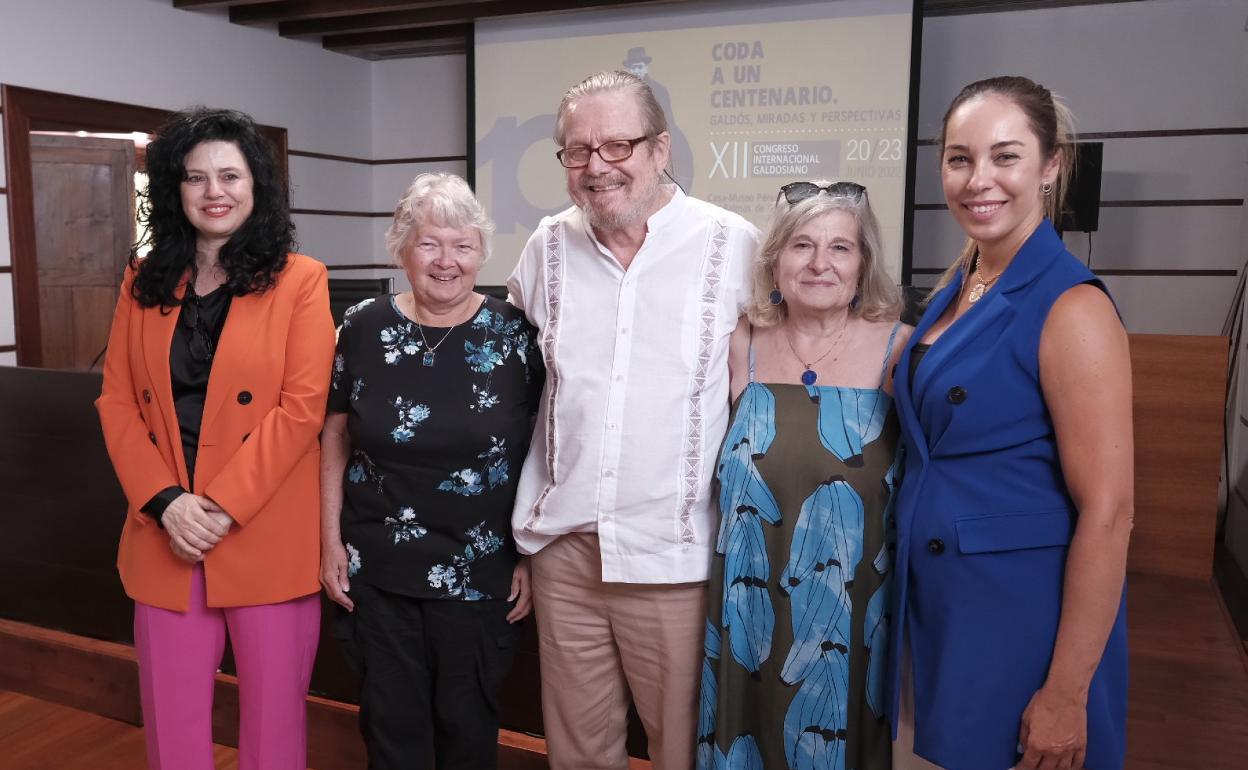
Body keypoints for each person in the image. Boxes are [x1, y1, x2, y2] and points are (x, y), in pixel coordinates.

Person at [507, 70, 762, 770]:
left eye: (617, 145)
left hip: (672, 556)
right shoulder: (545, 249)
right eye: (577, 150)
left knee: (682, 750)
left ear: (660, 148)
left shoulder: (733, 245)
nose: (597, 166)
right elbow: (526, 387)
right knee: (578, 753)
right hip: (564, 554)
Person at [889, 76, 1132, 770]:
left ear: (1051, 166)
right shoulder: (962, 282)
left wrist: (1065, 689)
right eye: (960, 159)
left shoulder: (1071, 307)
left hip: (1018, 618)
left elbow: (1110, 512)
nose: (978, 180)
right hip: (939, 603)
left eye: (1006, 156)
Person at [95, 107, 335, 770]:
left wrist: (221, 505)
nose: (214, 191)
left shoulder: (301, 280)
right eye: (196, 178)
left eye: (229, 175)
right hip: (165, 532)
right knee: (171, 730)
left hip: (262, 532)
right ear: (175, 189)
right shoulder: (141, 284)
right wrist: (166, 501)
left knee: (274, 727)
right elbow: (116, 403)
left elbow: (302, 409)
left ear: (256, 186)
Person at [320, 172, 542, 770]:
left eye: (463, 245)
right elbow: (335, 433)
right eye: (429, 243)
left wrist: (529, 553)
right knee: (391, 729)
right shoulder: (362, 327)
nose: (447, 261)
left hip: (482, 570)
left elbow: (545, 447)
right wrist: (329, 542)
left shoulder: (517, 336)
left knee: (468, 728)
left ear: (482, 253)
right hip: (378, 566)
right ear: (401, 249)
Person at [697, 181, 909, 770]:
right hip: (748, 613)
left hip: (855, 616)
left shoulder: (903, 352)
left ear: (864, 263)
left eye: (840, 248)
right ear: (774, 260)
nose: (820, 263)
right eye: (801, 246)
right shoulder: (740, 343)